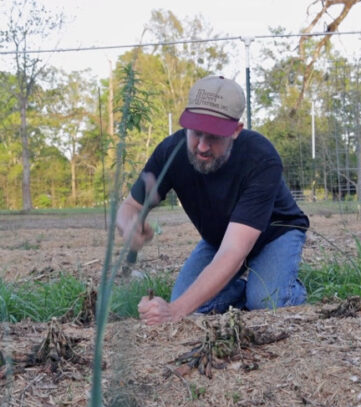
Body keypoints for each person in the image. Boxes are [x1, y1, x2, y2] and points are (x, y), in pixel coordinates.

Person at [116, 75, 310, 326]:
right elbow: (130, 206)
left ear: (236, 130)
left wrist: (174, 311)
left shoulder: (262, 158)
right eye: (196, 133)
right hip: (220, 239)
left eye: (215, 137)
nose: (203, 147)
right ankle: (242, 287)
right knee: (191, 303)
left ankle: (284, 288)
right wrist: (129, 224)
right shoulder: (170, 152)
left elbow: (234, 250)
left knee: (265, 303)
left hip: (275, 234)